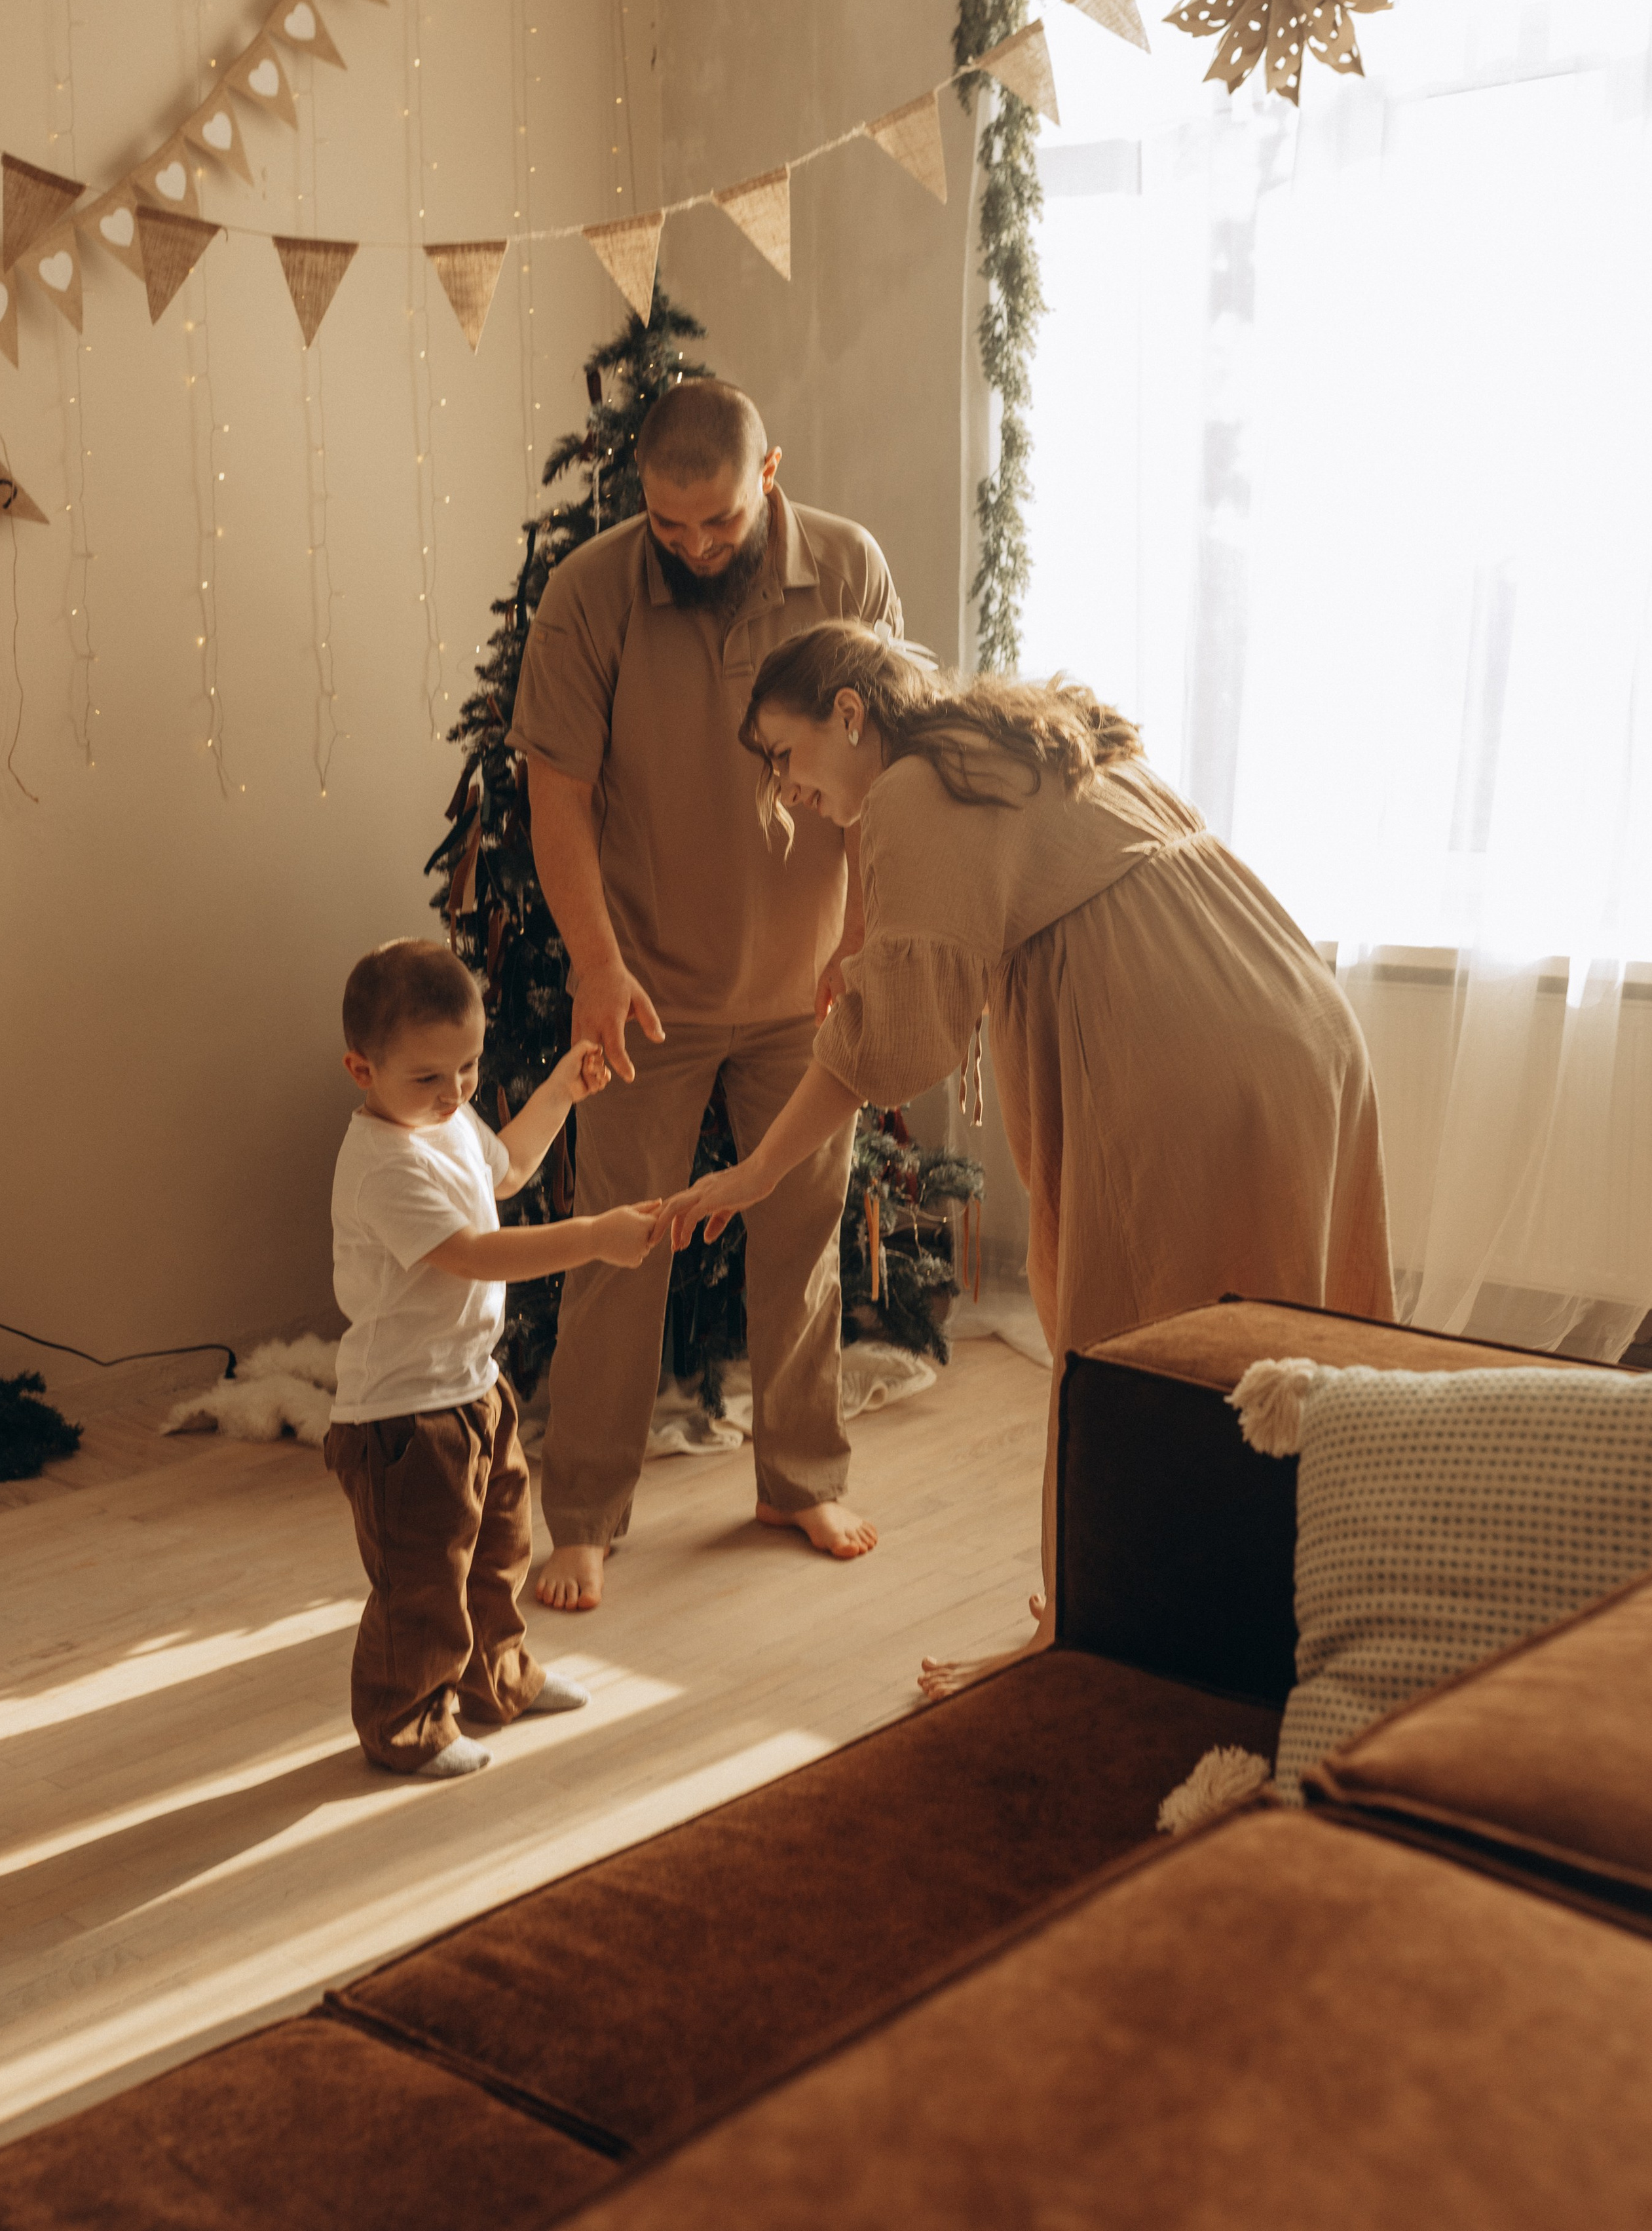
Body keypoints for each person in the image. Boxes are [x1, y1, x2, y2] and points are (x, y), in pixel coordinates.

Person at [656, 624, 1397, 1696]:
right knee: (1286, 1332)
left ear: (849, 715)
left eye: (782, 753)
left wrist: (755, 1172)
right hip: (1296, 1018)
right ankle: (1313, 1610)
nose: (783, 786)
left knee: (1132, 1349)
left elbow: (893, 1053)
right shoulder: (1017, 737)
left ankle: (1085, 1638)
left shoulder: (911, 791)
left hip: (1186, 1046)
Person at [510, 379, 904, 1612]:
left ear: (769, 475)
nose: (691, 547)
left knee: (802, 1250)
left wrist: (869, 942)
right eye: (668, 525)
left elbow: (892, 774)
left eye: (718, 524)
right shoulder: (590, 592)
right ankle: (582, 1513)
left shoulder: (849, 569)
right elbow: (558, 794)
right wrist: (595, 959)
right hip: (649, 996)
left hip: (809, 995)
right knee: (617, 1256)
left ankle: (796, 1481)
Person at [326, 939, 661, 1777]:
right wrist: (592, 1236)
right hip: (402, 1416)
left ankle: (496, 1681)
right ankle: (407, 1724)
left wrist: (557, 1092)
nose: (454, 1093)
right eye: (429, 1078)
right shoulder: (380, 1165)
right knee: (422, 1578)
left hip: (473, 1386)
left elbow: (504, 1168)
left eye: (468, 1068)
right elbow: (474, 1252)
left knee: (499, 1549)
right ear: (361, 1070)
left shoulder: (445, 1124)